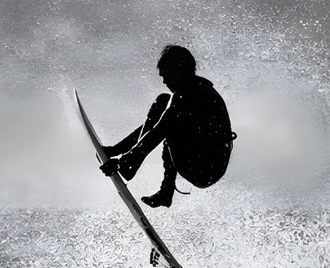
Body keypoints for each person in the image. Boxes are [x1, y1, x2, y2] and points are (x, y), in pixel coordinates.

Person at [100, 45, 235, 208]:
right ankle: (162, 189)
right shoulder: (194, 91)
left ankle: (129, 163)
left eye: (167, 75)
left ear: (181, 69)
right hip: (200, 157)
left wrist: (123, 161)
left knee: (171, 116)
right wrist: (116, 152)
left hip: (206, 169)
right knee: (163, 101)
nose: (164, 81)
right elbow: (158, 127)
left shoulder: (194, 95)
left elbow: (160, 130)